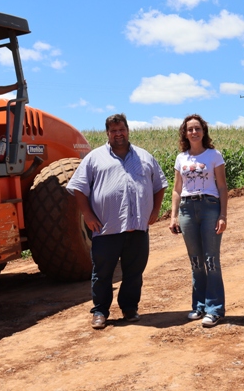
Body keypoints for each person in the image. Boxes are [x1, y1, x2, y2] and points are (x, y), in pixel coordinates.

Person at [66, 113, 168, 330]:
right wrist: (88, 214)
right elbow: (78, 188)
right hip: (106, 228)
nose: (118, 134)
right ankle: (100, 311)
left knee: (134, 272)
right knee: (102, 273)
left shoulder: (144, 157)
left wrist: (156, 209)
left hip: (138, 228)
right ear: (107, 133)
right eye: (113, 131)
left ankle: (130, 309)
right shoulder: (94, 158)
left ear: (127, 130)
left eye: (121, 129)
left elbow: (160, 185)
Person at [168, 114, 228, 328]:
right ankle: (199, 305)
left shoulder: (214, 155)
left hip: (209, 206)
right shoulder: (181, 158)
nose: (194, 132)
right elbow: (176, 189)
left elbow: (222, 186)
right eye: (190, 129)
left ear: (204, 131)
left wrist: (223, 215)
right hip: (186, 209)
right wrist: (173, 215)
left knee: (211, 260)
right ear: (185, 133)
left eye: (197, 128)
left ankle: (215, 309)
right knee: (195, 262)